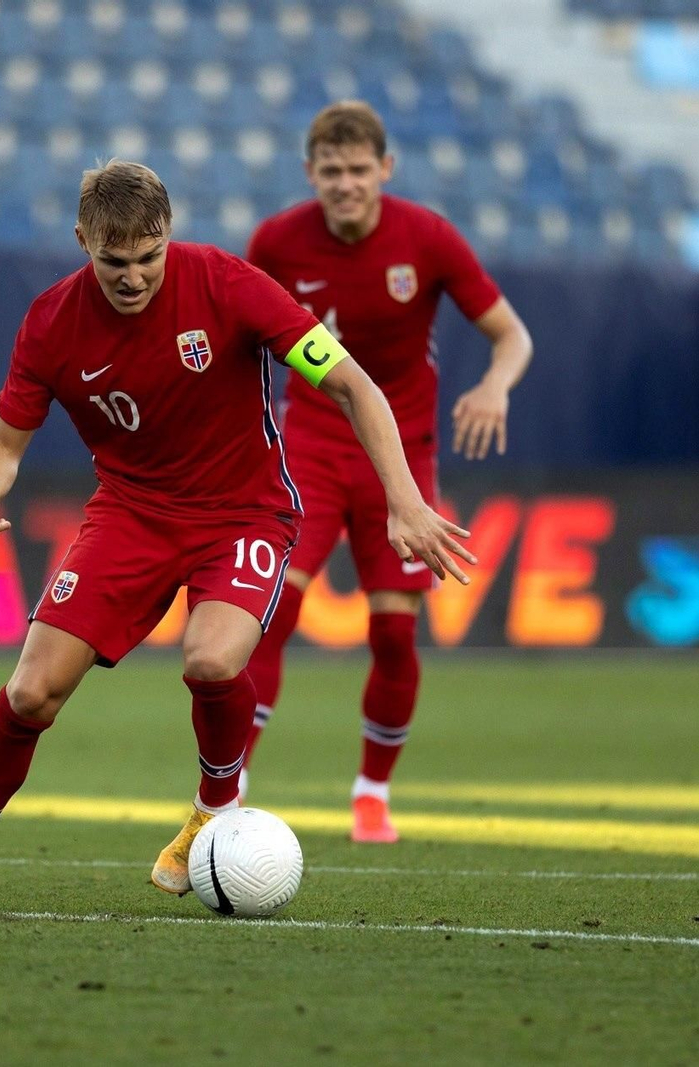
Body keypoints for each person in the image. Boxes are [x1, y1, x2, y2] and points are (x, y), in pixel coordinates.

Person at [0, 159, 475, 912]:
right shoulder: (51, 322)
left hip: (243, 511)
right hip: (131, 515)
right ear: (83, 242)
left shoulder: (227, 284)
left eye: (150, 257)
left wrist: (403, 501)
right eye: (116, 262)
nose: (136, 276)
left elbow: (351, 384)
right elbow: (3, 443)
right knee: (32, 690)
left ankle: (215, 804)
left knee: (212, 659)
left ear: (169, 236)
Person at [241, 101, 533, 842]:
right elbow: (236, 329)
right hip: (309, 446)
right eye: (331, 171)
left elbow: (511, 336)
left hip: (403, 458)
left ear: (385, 170)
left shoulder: (426, 238)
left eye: (359, 170)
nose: (345, 184)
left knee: (395, 633)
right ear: (310, 173)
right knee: (272, 613)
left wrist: (496, 383)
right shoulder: (276, 240)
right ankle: (231, 783)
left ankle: (372, 791)